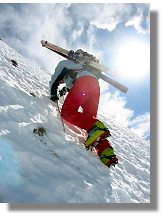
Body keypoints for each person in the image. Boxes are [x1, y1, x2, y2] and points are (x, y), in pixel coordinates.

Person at [49, 56, 118, 167]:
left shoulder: (67, 63)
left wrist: (53, 94)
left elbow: (55, 79)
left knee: (67, 112)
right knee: (89, 121)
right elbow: (73, 87)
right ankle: (106, 153)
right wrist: (65, 89)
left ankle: (97, 128)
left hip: (84, 82)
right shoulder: (83, 68)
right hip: (94, 87)